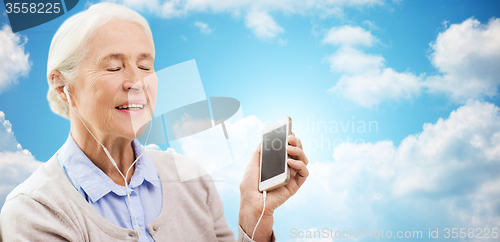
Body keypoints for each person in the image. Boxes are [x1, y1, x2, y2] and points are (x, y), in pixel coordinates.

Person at [0, 3, 309, 242]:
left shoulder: (193, 180)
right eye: (114, 67)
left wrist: (253, 217)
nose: (137, 81)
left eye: (145, 65)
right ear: (62, 87)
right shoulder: (34, 211)